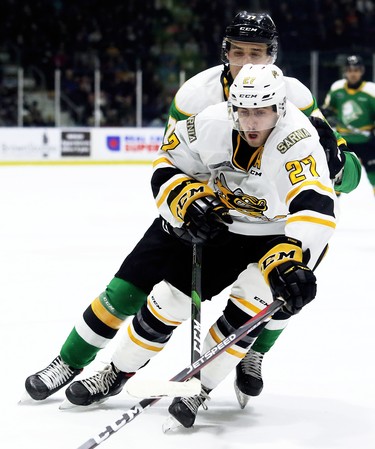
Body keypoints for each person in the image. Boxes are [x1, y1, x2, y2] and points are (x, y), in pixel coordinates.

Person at [24, 11, 360, 408]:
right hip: (208, 215)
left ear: (272, 57)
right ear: (225, 52)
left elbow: (331, 180)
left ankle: (252, 354)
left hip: (273, 223)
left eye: (258, 54)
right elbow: (173, 161)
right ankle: (72, 362)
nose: (248, 63)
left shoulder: (295, 99)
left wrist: (338, 165)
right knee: (130, 287)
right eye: (239, 52)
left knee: (277, 297)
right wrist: (188, 202)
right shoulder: (197, 97)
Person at [76, 63, 337, 429]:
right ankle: (116, 372)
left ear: (279, 108)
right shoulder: (210, 122)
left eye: (261, 111)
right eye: (243, 111)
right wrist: (185, 198)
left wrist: (292, 257)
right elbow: (168, 161)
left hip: (280, 235)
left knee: (243, 318)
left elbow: (315, 203)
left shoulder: (298, 138)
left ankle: (200, 386)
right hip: (226, 225)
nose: (250, 123)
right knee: (168, 302)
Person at [322, 55, 375, 195]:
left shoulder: (371, 90)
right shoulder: (337, 88)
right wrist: (327, 113)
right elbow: (327, 109)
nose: (353, 73)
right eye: (350, 70)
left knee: (374, 175)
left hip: (366, 141)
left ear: (362, 71)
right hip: (343, 140)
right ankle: (331, 208)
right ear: (345, 71)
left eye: (356, 70)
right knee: (337, 174)